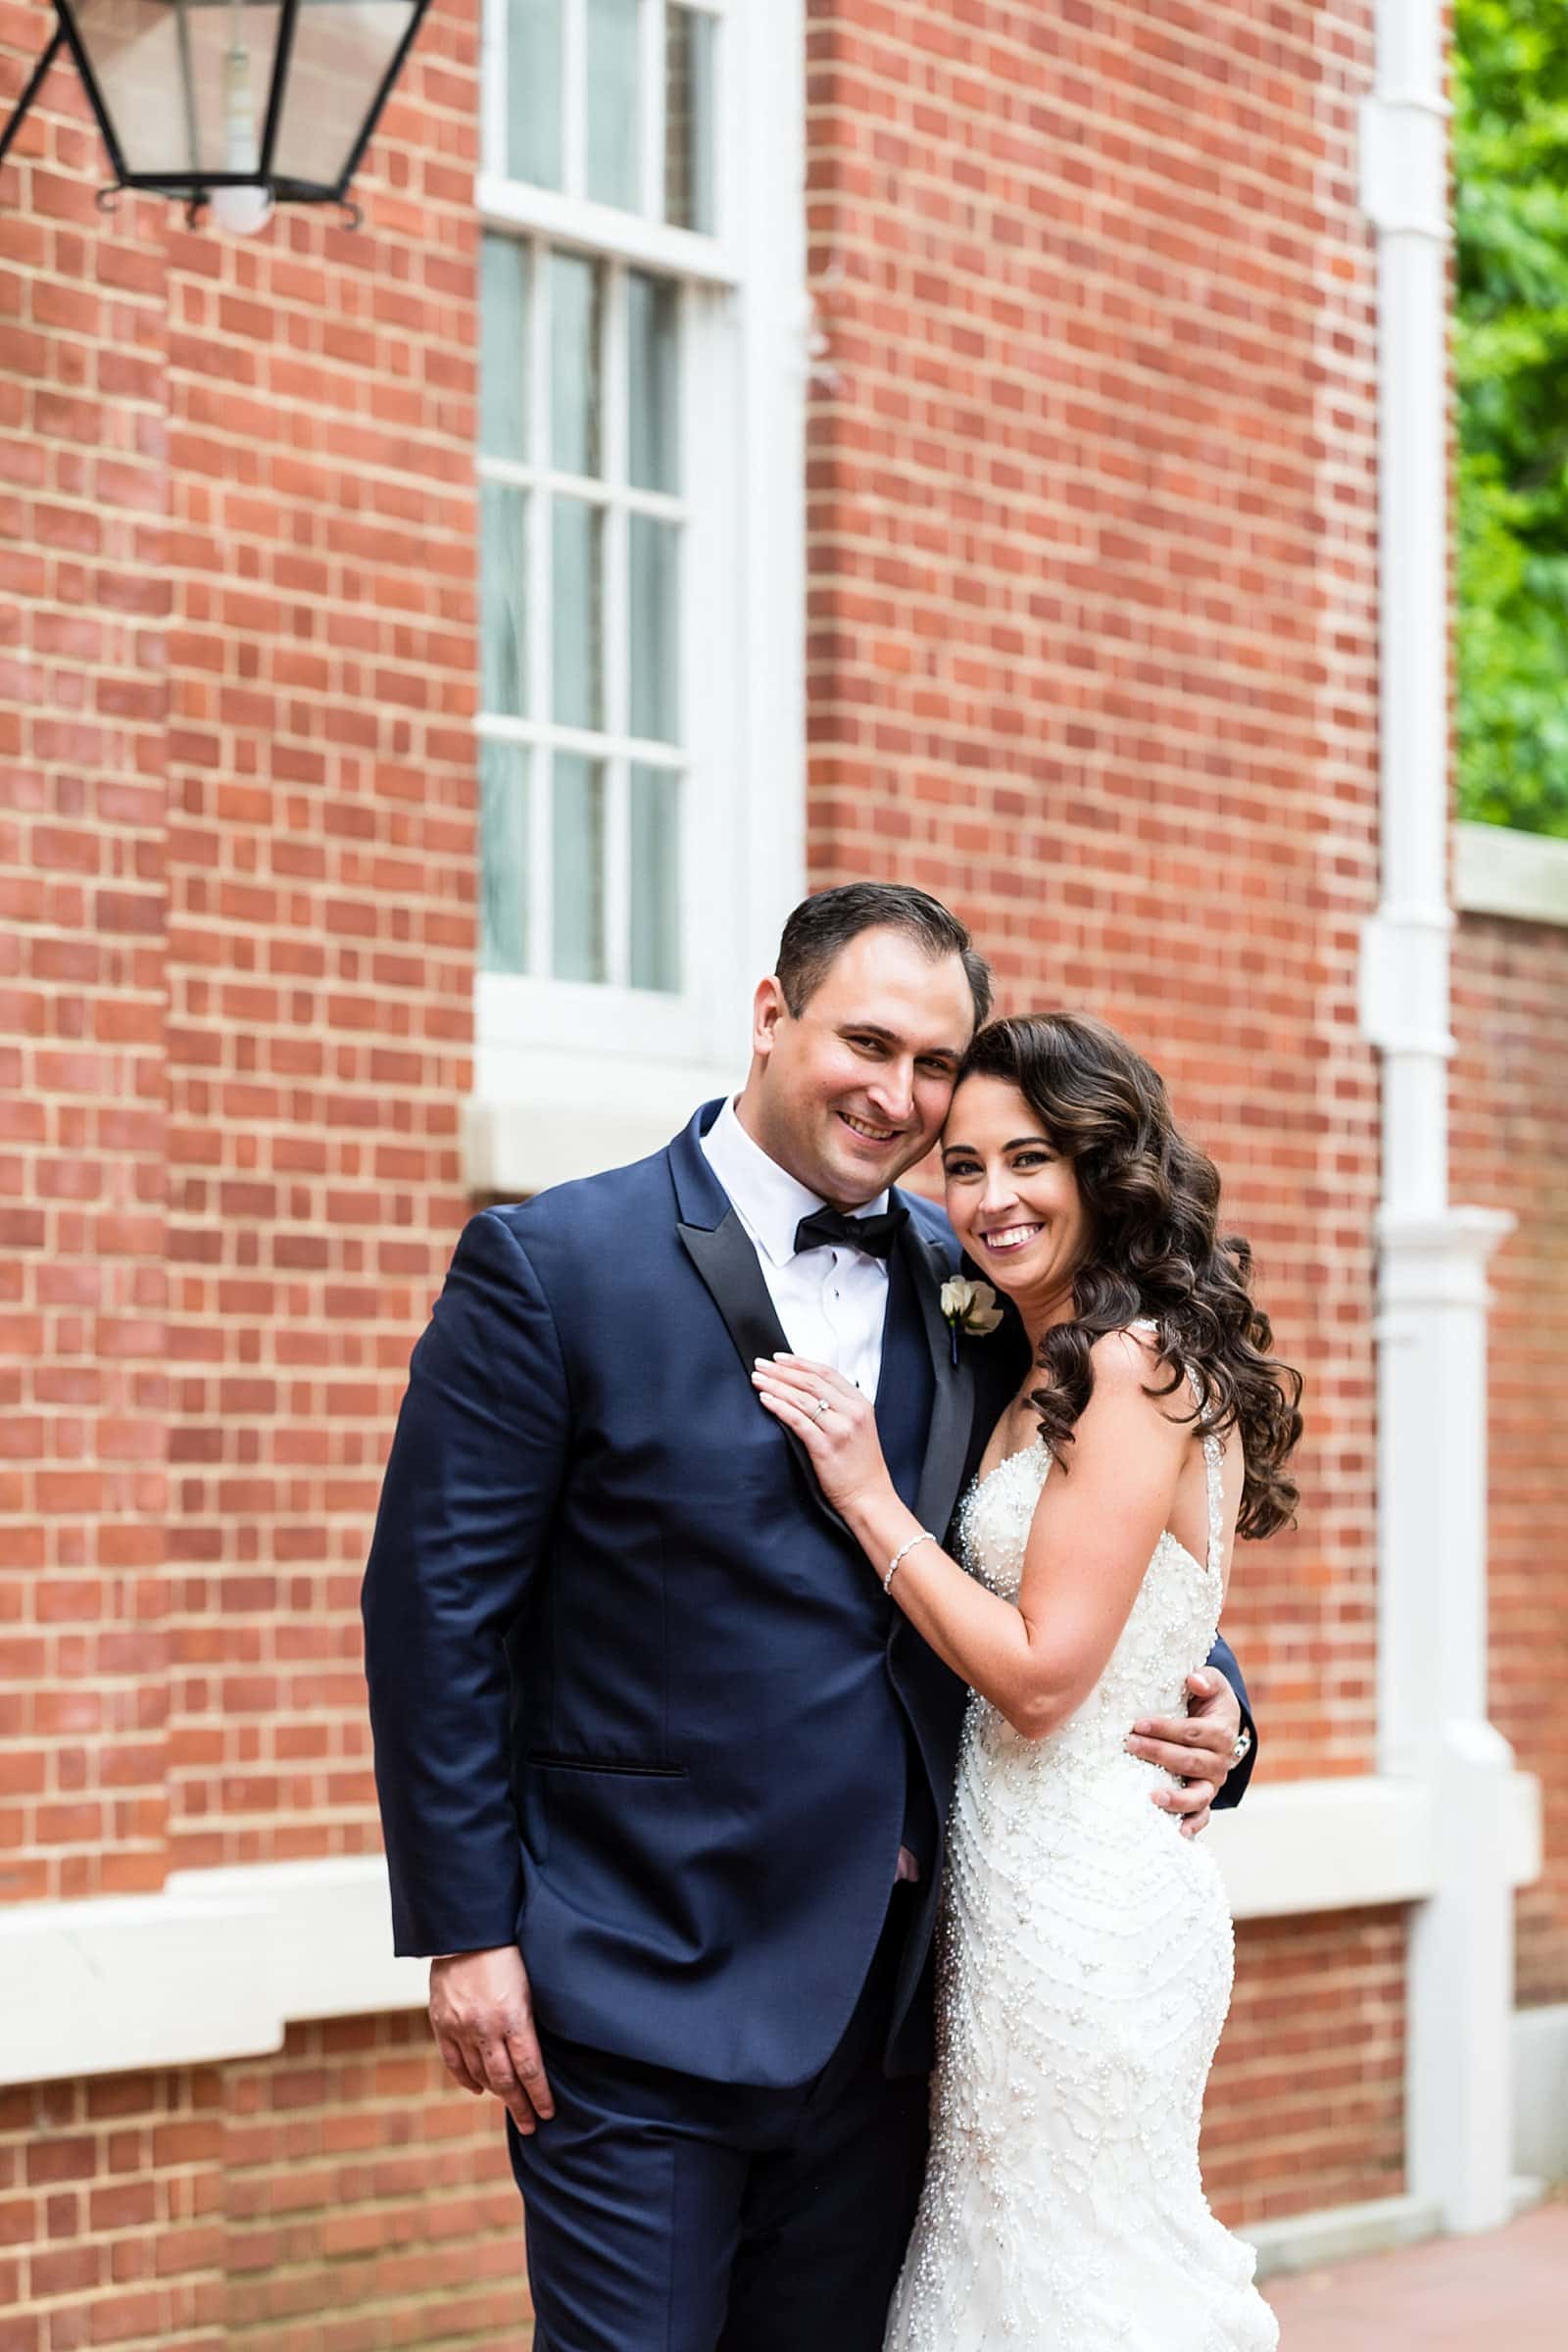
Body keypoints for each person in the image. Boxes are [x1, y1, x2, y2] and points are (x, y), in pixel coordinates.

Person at [360, 887, 1259, 2352]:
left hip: (905, 2013)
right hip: (637, 1988)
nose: (897, 1097)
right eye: (866, 1041)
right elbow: (434, 1615)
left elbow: (1073, 1540)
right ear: (772, 1016)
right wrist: (467, 1933)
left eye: (931, 1065)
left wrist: (1213, 1692)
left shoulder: (974, 1274)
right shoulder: (553, 1268)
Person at [753, 1009, 1300, 2351]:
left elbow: (1049, 1677)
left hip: (1085, 1916)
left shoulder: (1128, 1366)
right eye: (965, 1165)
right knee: (1009, 2270)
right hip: (1009, 1903)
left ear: (1103, 1171)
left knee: (1083, 2279)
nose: (990, 1199)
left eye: (1030, 1161)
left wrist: (870, 1499)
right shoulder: (1042, 1359)